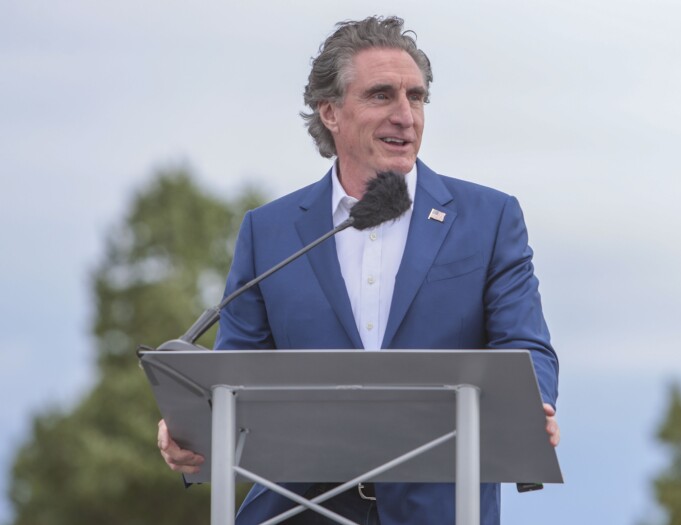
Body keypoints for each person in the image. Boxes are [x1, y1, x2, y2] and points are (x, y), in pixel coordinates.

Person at [157, 15, 560, 525]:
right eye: (381, 95)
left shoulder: (490, 219)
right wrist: (193, 432)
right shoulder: (270, 232)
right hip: (294, 512)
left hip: (440, 511)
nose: (405, 116)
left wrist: (532, 405)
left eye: (416, 97)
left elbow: (525, 347)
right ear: (330, 111)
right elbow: (235, 375)